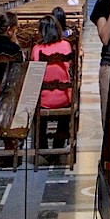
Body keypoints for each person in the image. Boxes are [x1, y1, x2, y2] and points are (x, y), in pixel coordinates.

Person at [31, 12, 74, 152]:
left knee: (34, 100)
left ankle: (41, 145)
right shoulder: (66, 46)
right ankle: (59, 143)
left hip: (43, 100)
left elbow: (34, 75)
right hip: (64, 98)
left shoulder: (37, 49)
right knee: (66, 101)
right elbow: (70, 69)